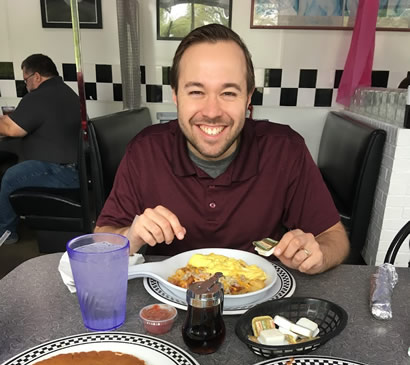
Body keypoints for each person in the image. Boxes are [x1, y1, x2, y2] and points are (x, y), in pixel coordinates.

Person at [95, 24, 349, 275]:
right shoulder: (145, 151)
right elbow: (100, 240)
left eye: (228, 93)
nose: (212, 112)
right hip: (168, 303)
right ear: (175, 95)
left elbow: (335, 238)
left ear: (248, 97)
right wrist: (131, 236)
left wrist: (317, 254)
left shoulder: (285, 150)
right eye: (196, 91)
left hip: (260, 304)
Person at [0, 53, 81, 244]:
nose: (26, 85)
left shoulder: (40, 96)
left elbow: (11, 128)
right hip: (73, 169)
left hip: (60, 171)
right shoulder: (65, 92)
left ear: (37, 76)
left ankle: (5, 232)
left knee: (10, 177)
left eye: (26, 80)